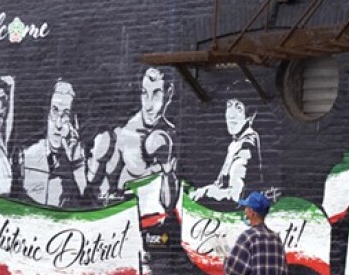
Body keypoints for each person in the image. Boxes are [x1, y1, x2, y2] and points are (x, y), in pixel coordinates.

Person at [93, 67, 178, 210]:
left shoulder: (171, 134)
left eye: (156, 94)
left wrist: (167, 169)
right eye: (145, 93)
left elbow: (169, 204)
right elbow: (103, 192)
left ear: (169, 94)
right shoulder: (125, 134)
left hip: (155, 222)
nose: (149, 105)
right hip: (125, 220)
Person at [19, 80, 87, 207]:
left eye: (66, 115)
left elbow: (87, 206)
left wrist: (75, 164)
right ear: (47, 114)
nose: (58, 124)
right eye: (55, 112)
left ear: (74, 122)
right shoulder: (26, 155)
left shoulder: (81, 159)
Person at [190, 98, 262, 202]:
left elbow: (234, 196)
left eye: (239, 108)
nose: (231, 114)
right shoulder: (235, 143)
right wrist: (203, 190)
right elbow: (220, 184)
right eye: (229, 106)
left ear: (251, 116)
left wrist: (207, 192)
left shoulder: (247, 145)